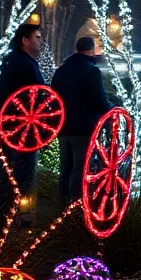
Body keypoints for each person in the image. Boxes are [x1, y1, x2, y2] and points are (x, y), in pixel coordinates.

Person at [0, 23, 47, 226]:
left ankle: (3, 216)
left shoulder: (7, 62)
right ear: (24, 40)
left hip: (8, 125)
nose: (41, 42)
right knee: (22, 174)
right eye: (37, 38)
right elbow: (41, 95)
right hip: (25, 129)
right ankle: (15, 219)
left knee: (8, 173)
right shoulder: (26, 65)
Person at [50, 36, 113, 206]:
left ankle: (60, 204)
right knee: (80, 168)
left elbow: (52, 96)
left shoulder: (61, 69)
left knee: (65, 169)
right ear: (92, 50)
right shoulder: (92, 71)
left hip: (63, 127)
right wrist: (112, 107)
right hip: (84, 128)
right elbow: (100, 101)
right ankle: (75, 206)